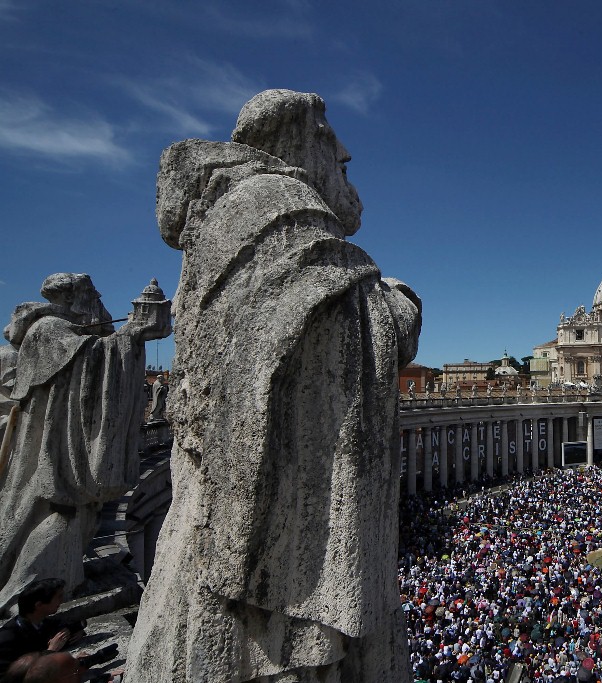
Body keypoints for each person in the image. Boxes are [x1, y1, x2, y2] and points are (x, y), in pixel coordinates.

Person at [125, 90, 421, 682]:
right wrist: (402, 303)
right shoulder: (275, 210)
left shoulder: (236, 215)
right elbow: (347, 330)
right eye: (330, 139)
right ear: (298, 140)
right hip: (268, 580)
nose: (346, 151)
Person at [0, 276, 170, 612]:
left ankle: (60, 583)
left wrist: (127, 336)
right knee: (57, 519)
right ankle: (28, 594)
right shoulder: (48, 329)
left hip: (61, 444)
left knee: (76, 521)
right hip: (53, 449)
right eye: (93, 295)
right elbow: (89, 363)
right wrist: (130, 335)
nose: (99, 303)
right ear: (76, 297)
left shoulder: (63, 331)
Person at [0, 579, 83, 675]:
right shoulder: (7, 638)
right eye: (59, 597)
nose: (62, 600)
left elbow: (73, 623)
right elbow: (9, 677)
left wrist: (78, 630)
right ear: (39, 605)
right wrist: (51, 650)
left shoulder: (41, 623)